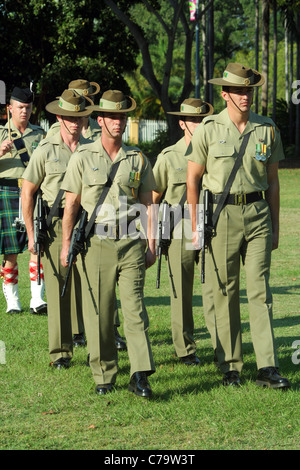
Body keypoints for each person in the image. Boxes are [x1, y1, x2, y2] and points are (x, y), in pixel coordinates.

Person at [186, 62, 291, 389]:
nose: (245, 96)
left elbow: (273, 182)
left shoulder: (267, 128)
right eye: (239, 90)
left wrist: (275, 225)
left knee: (260, 291)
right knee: (225, 291)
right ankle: (230, 366)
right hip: (222, 217)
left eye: (249, 90)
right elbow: (193, 178)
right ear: (225, 93)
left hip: (258, 213)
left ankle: (267, 367)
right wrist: (195, 225)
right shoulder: (208, 128)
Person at [60, 90, 156, 397]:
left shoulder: (138, 158)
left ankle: (140, 374)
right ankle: (104, 374)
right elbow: (71, 205)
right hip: (97, 242)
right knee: (99, 312)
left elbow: (148, 204)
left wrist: (152, 243)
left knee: (134, 309)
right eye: (112, 116)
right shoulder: (83, 157)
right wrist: (66, 245)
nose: (117, 121)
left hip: (130, 242)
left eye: (122, 116)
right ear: (100, 119)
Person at [21, 89, 92, 369]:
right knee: (57, 288)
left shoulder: (92, 149)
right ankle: (60, 353)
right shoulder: (45, 150)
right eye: (69, 117)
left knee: (89, 286)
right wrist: (30, 234)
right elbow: (28, 192)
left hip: (86, 225)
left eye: (79, 117)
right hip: (53, 226)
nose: (75, 122)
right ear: (59, 118)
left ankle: (93, 346)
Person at [152, 98, 216, 365]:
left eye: (202, 120)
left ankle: (222, 347)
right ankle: (185, 349)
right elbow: (154, 197)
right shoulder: (168, 156)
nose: (198, 125)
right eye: (193, 121)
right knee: (181, 293)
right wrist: (153, 238)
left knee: (216, 291)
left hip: (213, 228)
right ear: (182, 124)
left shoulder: (217, 152)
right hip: (180, 232)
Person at [0, 87, 46, 314]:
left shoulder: (40, 134)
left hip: (33, 193)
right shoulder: (0, 133)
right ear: (10, 108)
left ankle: (37, 299)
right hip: (7, 192)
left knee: (36, 243)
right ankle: (13, 301)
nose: (24, 112)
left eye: (28, 108)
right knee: (11, 250)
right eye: (20, 107)